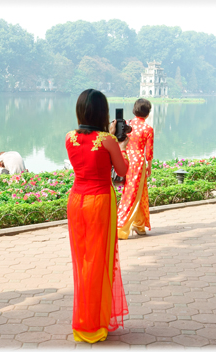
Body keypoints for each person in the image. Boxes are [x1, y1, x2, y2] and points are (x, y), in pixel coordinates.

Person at [65, 89, 129, 343]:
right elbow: (122, 171)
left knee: (82, 262)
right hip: (100, 202)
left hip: (76, 200)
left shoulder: (69, 137)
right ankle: (94, 324)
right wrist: (120, 143)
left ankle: (83, 319)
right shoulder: (107, 140)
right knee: (98, 261)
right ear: (103, 112)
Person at [117, 98, 154, 239]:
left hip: (125, 158)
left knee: (139, 191)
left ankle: (139, 225)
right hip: (138, 162)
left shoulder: (127, 124)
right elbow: (149, 151)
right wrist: (149, 167)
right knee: (132, 193)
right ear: (148, 112)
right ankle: (121, 227)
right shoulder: (147, 128)